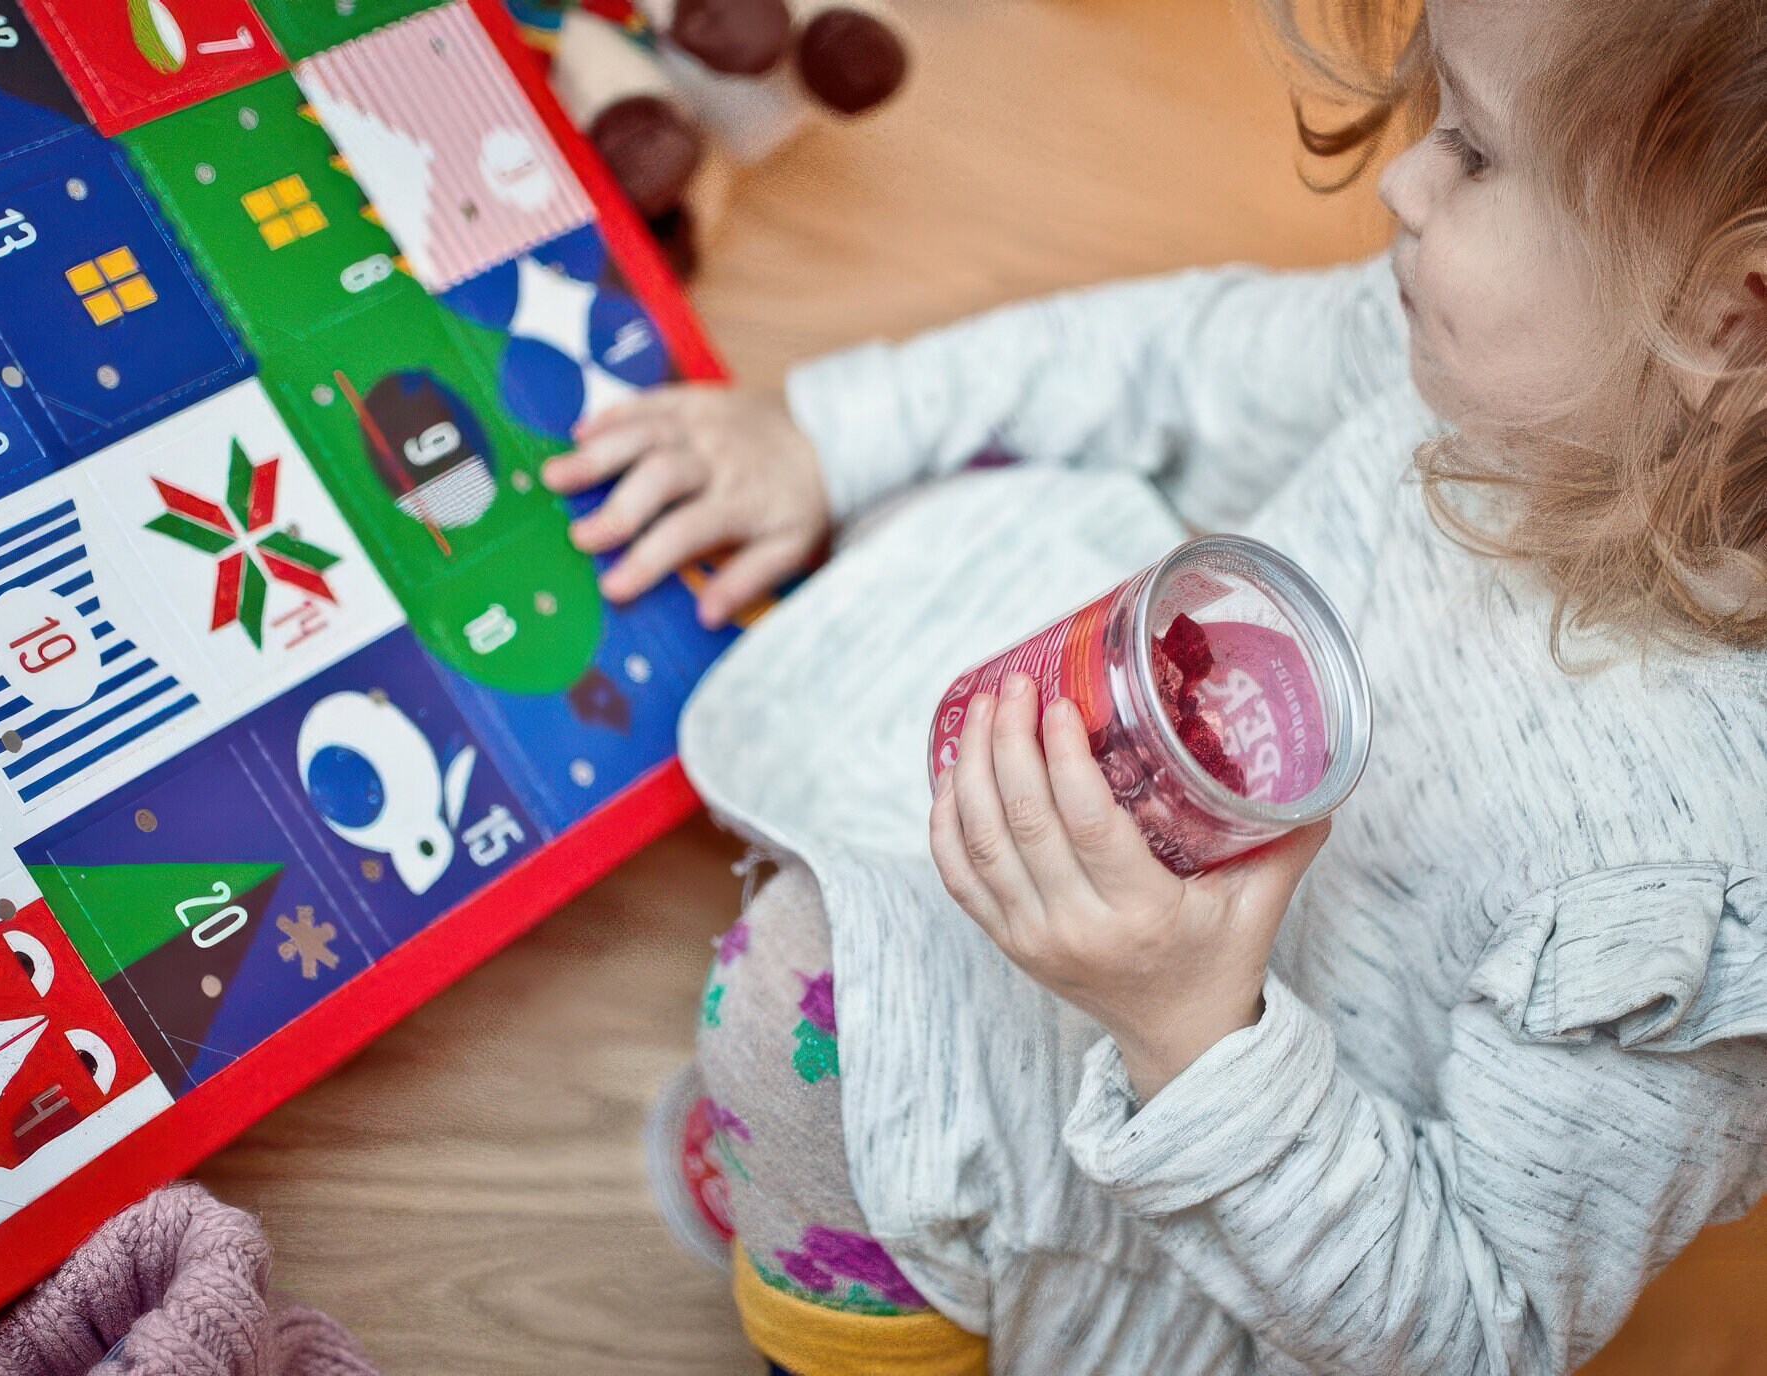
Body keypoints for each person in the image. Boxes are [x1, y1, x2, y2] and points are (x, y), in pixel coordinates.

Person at [546, 0, 1767, 1369]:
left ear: (1732, 315)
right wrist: (827, 438)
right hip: (1186, 930)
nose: (1402, 179)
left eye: (1476, 154)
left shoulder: (1692, 903)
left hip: (1238, 1203)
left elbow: (1472, 1329)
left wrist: (1192, 1032)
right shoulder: (1535, 368)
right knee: (954, 485)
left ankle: (863, 1304)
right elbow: (1178, 360)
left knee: (793, 1009)